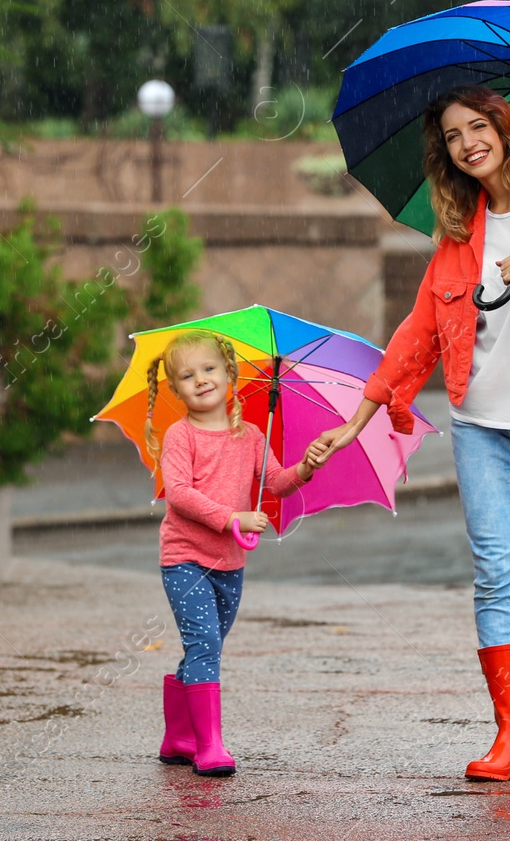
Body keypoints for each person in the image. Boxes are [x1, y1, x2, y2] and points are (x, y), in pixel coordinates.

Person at [308, 84, 510, 781]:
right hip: (479, 422)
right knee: (493, 573)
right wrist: (358, 419)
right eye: (453, 136)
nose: (467, 143)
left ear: (504, 128)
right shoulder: (459, 225)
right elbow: (419, 331)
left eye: (476, 126)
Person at [145, 329, 323, 777]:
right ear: (174, 389)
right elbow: (180, 494)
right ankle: (210, 747)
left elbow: (276, 482)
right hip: (184, 558)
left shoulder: (250, 436)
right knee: (205, 643)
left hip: (229, 564)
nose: (201, 380)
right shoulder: (180, 437)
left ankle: (178, 737)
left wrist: (305, 467)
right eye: (188, 375)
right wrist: (232, 518)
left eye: (209, 369)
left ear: (230, 374)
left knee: (205, 645)